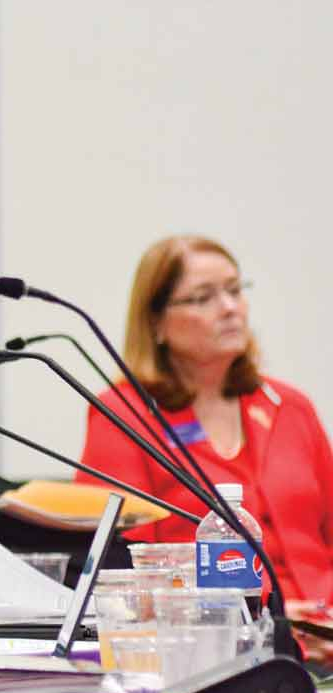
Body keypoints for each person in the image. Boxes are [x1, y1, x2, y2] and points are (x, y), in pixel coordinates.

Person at [76, 235, 333, 604]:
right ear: (156, 323)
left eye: (234, 290)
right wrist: (282, 619)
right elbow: (123, 570)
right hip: (216, 636)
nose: (230, 308)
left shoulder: (290, 406)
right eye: (203, 297)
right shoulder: (123, 415)